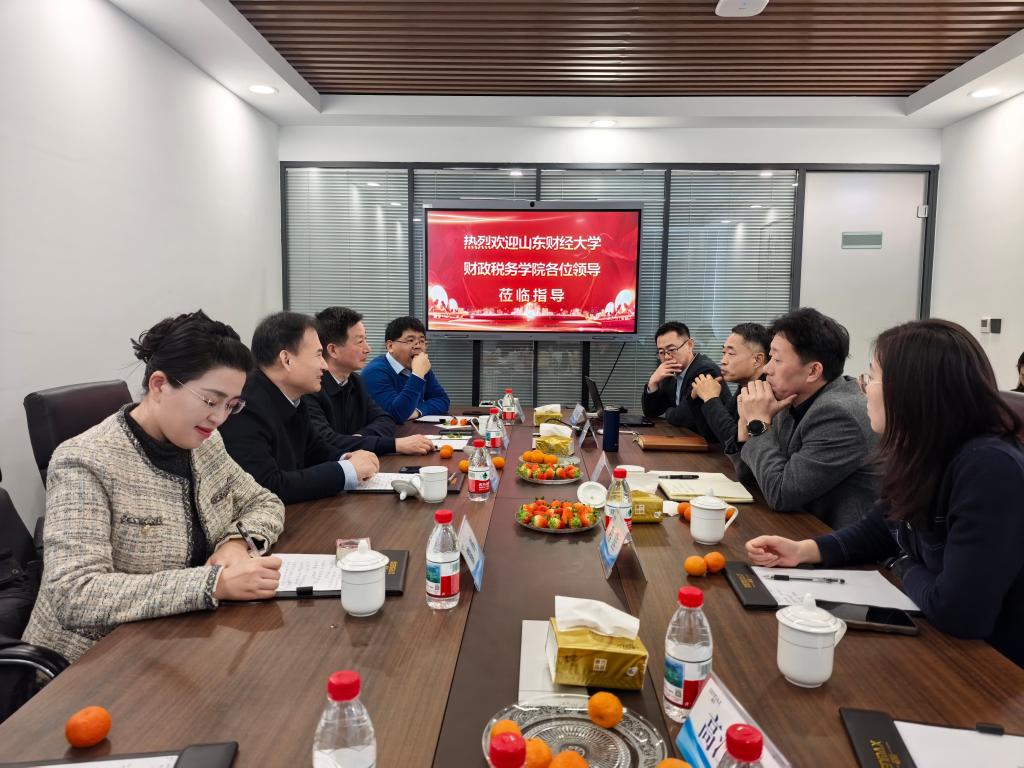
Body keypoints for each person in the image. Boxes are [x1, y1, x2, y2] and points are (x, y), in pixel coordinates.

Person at [746, 319, 1024, 667]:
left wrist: (901, 563)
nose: (862, 387)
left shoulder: (989, 468)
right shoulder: (923, 450)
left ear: (911, 389)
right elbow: (881, 527)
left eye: (872, 376)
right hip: (933, 638)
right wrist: (804, 550)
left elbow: (959, 612)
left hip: (988, 668)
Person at [22, 311, 285, 663]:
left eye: (231, 405)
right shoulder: (85, 461)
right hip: (93, 663)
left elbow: (264, 502)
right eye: (211, 401)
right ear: (159, 385)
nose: (219, 418)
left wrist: (236, 544)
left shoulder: (206, 444)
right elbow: (75, 595)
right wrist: (213, 584)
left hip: (178, 641)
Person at [735, 308, 879, 529]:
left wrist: (758, 425)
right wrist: (746, 423)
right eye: (770, 357)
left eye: (777, 360)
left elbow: (780, 494)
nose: (767, 368)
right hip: (801, 528)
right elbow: (751, 478)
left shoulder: (840, 415)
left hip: (835, 540)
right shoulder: (790, 398)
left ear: (813, 371)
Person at [219, 312, 379, 504]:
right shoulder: (245, 405)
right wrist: (347, 471)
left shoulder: (292, 396)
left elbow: (314, 449)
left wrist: (346, 457)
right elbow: (266, 485)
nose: (324, 365)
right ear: (286, 359)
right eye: (318, 355)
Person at [305, 307, 433, 456]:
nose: (368, 349)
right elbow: (326, 441)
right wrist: (395, 445)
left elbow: (386, 420)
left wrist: (359, 438)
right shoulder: (309, 389)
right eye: (360, 342)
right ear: (333, 350)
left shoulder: (355, 381)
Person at [641, 321, 731, 442]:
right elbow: (651, 412)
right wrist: (652, 383)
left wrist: (669, 412)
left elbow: (682, 417)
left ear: (689, 345)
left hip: (710, 446)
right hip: (685, 439)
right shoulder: (671, 372)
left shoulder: (705, 370)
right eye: (661, 352)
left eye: (672, 349)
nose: (667, 357)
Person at [691, 322, 771, 455]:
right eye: (724, 352)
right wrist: (698, 398)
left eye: (731, 353)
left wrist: (711, 399)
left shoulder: (766, 394)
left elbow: (734, 443)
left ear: (757, 360)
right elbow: (712, 435)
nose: (723, 360)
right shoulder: (744, 388)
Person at [361, 316, 450, 424]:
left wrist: (417, 411)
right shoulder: (375, 373)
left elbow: (442, 400)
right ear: (390, 346)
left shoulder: (420, 366)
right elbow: (396, 414)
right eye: (410, 340)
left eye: (422, 341)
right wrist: (417, 375)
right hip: (385, 433)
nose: (418, 346)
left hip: (411, 430)